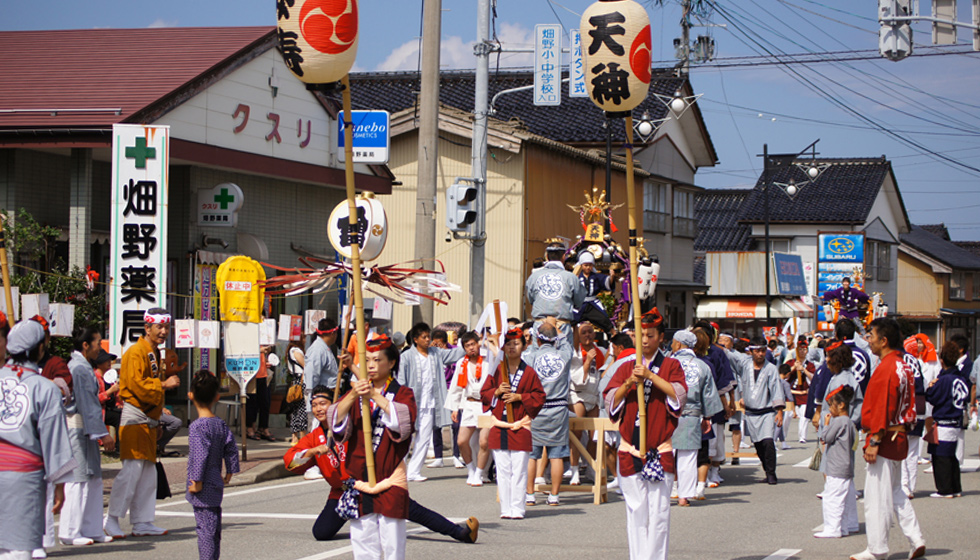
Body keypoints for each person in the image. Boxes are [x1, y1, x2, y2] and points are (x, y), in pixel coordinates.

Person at [285, 385, 479, 544]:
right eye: (314, 405)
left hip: (371, 483)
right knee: (321, 532)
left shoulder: (352, 424)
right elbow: (290, 461)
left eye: (323, 404)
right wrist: (311, 452)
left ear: (335, 405)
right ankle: (369, 516)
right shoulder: (313, 438)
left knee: (413, 511)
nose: (319, 409)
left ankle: (460, 532)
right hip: (343, 492)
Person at [603, 308, 687, 560]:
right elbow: (611, 400)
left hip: (659, 449)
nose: (645, 340)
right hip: (630, 448)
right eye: (641, 335)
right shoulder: (625, 367)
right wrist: (630, 382)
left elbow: (678, 396)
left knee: (659, 513)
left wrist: (650, 376)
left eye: (650, 335)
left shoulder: (671, 365)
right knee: (636, 511)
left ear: (661, 337)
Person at [329, 335, 417, 560]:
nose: (371, 365)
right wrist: (354, 395)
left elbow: (404, 423)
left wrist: (375, 396)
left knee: (393, 542)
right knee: (363, 541)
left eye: (377, 360)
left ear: (391, 362)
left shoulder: (403, 393)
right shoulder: (357, 393)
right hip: (361, 478)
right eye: (367, 360)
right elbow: (335, 421)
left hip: (389, 476)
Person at [0, 317, 78, 560]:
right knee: (18, 549)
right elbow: (54, 441)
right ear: (39, 348)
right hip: (23, 477)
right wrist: (60, 486)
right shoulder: (45, 388)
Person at [850, 318, 925, 560]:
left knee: (876, 498)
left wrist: (874, 440)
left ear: (883, 340)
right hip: (899, 433)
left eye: (871, 336)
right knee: (896, 492)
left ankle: (877, 548)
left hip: (884, 435)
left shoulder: (886, 368)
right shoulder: (904, 365)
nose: (868, 340)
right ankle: (916, 538)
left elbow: (883, 406)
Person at [105, 307, 181, 539]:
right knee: (131, 472)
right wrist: (164, 385)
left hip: (149, 419)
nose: (164, 332)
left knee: (148, 474)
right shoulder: (135, 352)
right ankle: (112, 519)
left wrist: (157, 422)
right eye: (159, 327)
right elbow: (136, 385)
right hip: (135, 417)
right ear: (147, 328)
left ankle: (142, 521)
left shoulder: (153, 352)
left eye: (166, 327)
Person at [60, 326, 115, 546]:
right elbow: (88, 404)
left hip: (86, 428)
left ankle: (92, 528)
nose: (100, 347)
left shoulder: (82, 366)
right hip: (78, 428)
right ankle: (70, 531)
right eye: (98, 343)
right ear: (85, 345)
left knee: (93, 478)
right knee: (78, 479)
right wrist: (103, 433)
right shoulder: (79, 368)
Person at [482, 328, 546, 519]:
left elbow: (539, 396)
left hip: (520, 425)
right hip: (499, 425)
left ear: (524, 346)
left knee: (519, 470)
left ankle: (518, 508)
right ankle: (505, 508)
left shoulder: (529, 372)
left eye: (516, 344)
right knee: (502, 470)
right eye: (508, 344)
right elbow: (484, 393)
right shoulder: (497, 370)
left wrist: (520, 397)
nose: (512, 347)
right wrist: (496, 392)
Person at [397, 322, 464, 482]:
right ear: (415, 339)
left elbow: (455, 354)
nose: (428, 340)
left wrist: (467, 340)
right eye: (424, 337)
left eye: (429, 336)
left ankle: (413, 472)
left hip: (430, 404)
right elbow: (400, 381)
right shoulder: (406, 357)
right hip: (411, 404)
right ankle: (399, 471)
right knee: (405, 438)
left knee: (424, 438)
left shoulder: (436, 353)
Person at [186, 370, 240, 560]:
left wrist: (196, 480)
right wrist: (230, 471)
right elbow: (231, 448)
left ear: (190, 395)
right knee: (213, 527)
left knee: (205, 530)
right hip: (216, 480)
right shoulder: (220, 424)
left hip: (204, 484)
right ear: (217, 397)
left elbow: (199, 455)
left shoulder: (197, 427)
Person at [523, 320, 573, 506]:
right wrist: (557, 328)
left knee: (532, 454)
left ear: (538, 339)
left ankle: (529, 494)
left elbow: (530, 349)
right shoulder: (564, 354)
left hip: (536, 408)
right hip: (558, 407)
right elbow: (566, 341)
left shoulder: (531, 356)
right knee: (556, 454)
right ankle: (554, 495)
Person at [670, 330, 722, 506]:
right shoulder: (702, 366)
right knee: (688, 456)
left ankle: (666, 490)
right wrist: (707, 417)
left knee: (666, 453)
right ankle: (684, 496)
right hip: (692, 415)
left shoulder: (667, 363)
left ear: (678, 344)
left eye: (673, 342)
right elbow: (709, 394)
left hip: (668, 413)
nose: (671, 345)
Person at [726, 336, 785, 484]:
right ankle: (766, 469)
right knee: (758, 445)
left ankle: (771, 474)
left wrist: (779, 411)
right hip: (751, 413)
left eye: (763, 351)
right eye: (757, 351)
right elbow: (730, 357)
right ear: (751, 351)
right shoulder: (744, 365)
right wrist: (718, 345)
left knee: (768, 442)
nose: (760, 354)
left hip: (767, 412)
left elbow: (776, 389)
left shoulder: (771, 368)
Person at [444, 331, 491, 486]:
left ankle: (480, 473)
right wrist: (455, 408)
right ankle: (471, 470)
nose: (471, 348)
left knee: (484, 442)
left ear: (478, 344)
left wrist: (487, 342)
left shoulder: (488, 360)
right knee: (462, 441)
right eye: (467, 345)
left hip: (485, 406)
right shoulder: (461, 363)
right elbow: (456, 387)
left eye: (473, 344)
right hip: (469, 405)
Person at [924, 342, 968, 499]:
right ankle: (955, 488)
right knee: (951, 457)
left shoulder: (944, 380)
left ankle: (945, 490)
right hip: (956, 421)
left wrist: (930, 386)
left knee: (941, 457)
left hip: (944, 421)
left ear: (942, 360)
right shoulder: (960, 378)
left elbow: (931, 396)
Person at [814, 385, 859, 539]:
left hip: (836, 466)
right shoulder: (849, 422)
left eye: (832, 405)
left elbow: (826, 437)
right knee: (843, 500)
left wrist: (826, 424)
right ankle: (843, 527)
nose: (830, 409)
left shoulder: (839, 421)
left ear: (841, 405)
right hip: (845, 466)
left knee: (832, 499)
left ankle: (832, 528)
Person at [525, 240, 585, 348]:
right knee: (562, 356)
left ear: (547, 256)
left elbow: (531, 300)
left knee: (540, 356)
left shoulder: (534, 277)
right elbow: (578, 302)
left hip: (540, 326)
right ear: (564, 256)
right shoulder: (571, 278)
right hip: (562, 327)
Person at [568, 321, 605, 486]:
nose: (587, 335)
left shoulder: (600, 351)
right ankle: (574, 470)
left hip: (593, 395)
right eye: (583, 333)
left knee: (594, 436)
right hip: (578, 394)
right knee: (576, 434)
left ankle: (591, 467)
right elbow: (576, 378)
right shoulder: (574, 352)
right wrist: (588, 361)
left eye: (590, 332)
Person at [573, 251, 616, 334]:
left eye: (590, 265)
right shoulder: (576, 277)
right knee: (569, 321)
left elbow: (606, 282)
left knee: (604, 320)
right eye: (586, 265)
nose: (588, 267)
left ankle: (615, 334)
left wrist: (612, 277)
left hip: (593, 304)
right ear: (581, 265)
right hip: (579, 305)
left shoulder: (596, 276)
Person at [785, 336, 815, 443]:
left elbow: (813, 378)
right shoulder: (790, 362)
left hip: (804, 393)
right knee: (787, 415)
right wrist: (794, 367)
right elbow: (784, 375)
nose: (802, 351)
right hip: (791, 393)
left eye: (804, 349)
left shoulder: (810, 365)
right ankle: (782, 436)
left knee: (804, 415)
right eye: (800, 349)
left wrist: (803, 369)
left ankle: (802, 437)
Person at [245, 345, 276, 442]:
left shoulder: (263, 339)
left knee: (265, 402)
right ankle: (250, 428)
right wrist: (259, 350)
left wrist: (266, 357)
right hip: (251, 373)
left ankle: (263, 428)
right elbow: (244, 350)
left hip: (263, 373)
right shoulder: (250, 338)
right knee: (252, 402)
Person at [286, 341, 308, 446]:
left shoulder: (290, 351)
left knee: (295, 410)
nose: (305, 339)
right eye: (303, 336)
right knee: (302, 409)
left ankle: (294, 438)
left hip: (295, 382)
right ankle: (302, 438)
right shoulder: (296, 350)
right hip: (301, 382)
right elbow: (306, 366)